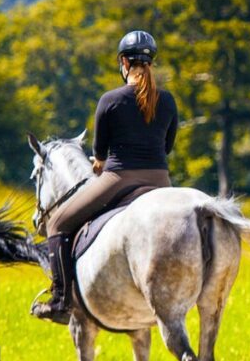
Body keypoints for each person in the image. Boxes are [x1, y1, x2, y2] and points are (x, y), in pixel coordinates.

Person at [32, 30, 179, 323]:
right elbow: (168, 147)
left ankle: (61, 301)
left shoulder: (110, 100)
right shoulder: (167, 100)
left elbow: (99, 155)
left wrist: (99, 164)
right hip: (161, 182)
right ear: (150, 63)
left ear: (123, 62)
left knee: (58, 223)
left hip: (119, 179)